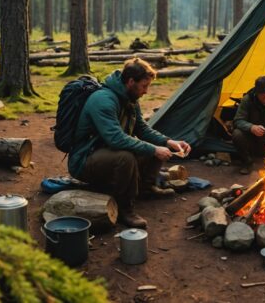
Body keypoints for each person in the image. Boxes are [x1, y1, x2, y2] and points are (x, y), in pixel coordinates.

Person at [67, 58, 191, 228]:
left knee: (153, 148)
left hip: (106, 151)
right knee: (126, 157)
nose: (146, 91)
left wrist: (168, 142)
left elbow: (143, 130)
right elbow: (116, 138)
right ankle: (125, 208)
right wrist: (154, 149)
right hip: (84, 159)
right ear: (131, 82)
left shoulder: (130, 97)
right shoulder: (103, 100)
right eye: (144, 86)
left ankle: (146, 189)